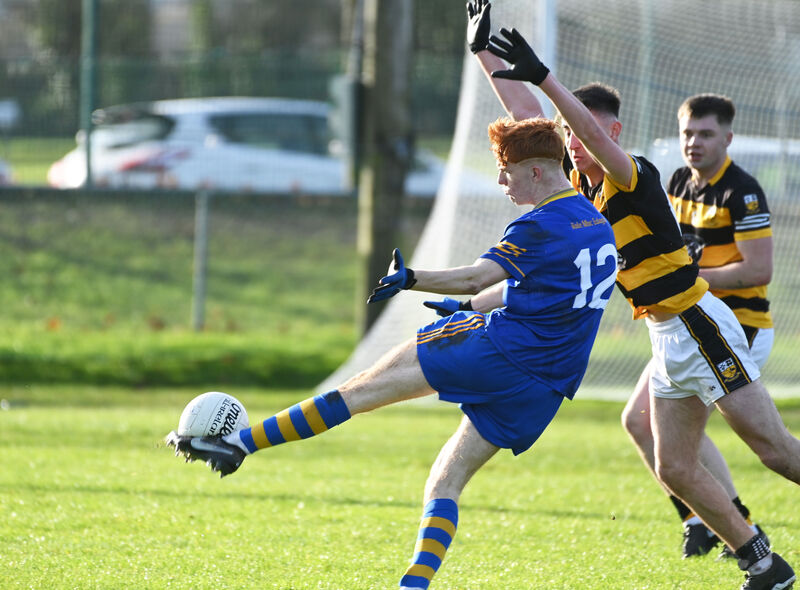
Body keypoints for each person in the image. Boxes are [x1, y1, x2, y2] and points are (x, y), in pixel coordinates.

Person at [166, 116, 618, 590]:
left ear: (536, 171)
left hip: (499, 351)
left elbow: (476, 277)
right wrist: (467, 308)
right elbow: (543, 289)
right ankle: (414, 584)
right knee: (445, 480)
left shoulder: (538, 224)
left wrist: (411, 279)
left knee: (359, 391)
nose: (502, 181)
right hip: (546, 385)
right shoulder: (594, 221)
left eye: (507, 171)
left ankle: (238, 443)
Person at [481, 19, 798, 590]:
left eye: (582, 131)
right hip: (665, 335)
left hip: (699, 325)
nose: (574, 140)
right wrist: (484, 53)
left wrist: (547, 79)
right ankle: (764, 565)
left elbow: (585, 132)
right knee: (674, 466)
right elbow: (530, 121)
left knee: (775, 451)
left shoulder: (631, 175)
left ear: (611, 133)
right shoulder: (578, 188)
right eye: (567, 134)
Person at [621, 93, 776, 559]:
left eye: (706, 134)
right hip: (688, 325)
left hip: (736, 326)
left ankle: (737, 527)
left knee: (772, 449)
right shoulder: (676, 182)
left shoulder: (742, 191)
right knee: (639, 422)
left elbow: (758, 270)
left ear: (727, 138)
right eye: (688, 133)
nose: (694, 142)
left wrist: (686, 278)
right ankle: (704, 522)